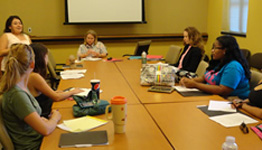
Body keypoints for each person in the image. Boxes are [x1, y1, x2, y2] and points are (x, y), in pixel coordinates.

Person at [0, 44, 61, 150]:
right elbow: (45, 130)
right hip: (33, 146)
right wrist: (55, 118)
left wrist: (43, 120)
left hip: (36, 138)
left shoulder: (20, 86)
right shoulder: (16, 95)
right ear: (32, 64)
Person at [180, 35, 251, 99]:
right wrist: (190, 81)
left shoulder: (233, 66)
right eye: (212, 47)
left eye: (215, 48)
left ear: (225, 50)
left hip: (230, 101)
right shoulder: (219, 61)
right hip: (212, 97)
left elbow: (223, 90)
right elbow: (204, 78)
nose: (212, 51)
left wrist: (196, 85)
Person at [28, 43, 83, 118]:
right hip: (45, 114)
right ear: (40, 58)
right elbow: (56, 97)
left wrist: (58, 92)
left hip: (47, 110)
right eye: (46, 56)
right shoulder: (34, 76)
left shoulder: (32, 74)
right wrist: (72, 92)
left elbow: (46, 93)